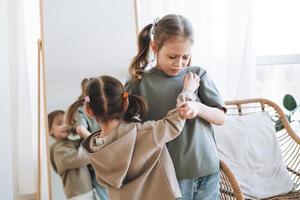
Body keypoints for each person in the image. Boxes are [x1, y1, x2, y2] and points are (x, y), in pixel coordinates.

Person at [125, 14, 226, 200]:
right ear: (154, 48)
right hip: (168, 175)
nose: (179, 63)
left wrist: (197, 107)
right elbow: (128, 130)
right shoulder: (139, 83)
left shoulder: (197, 75)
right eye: (172, 56)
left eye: (185, 57)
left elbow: (221, 117)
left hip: (208, 169)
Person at [66, 74, 199, 200]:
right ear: (125, 102)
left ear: (89, 111)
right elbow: (175, 121)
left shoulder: (93, 150)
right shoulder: (144, 132)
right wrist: (187, 92)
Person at [74, 78, 109, 200]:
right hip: (98, 159)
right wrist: (99, 142)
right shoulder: (82, 110)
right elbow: (80, 129)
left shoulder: (107, 102)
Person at [48, 110, 96, 200]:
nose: (65, 126)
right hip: (78, 194)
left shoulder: (69, 143)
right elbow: (78, 158)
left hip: (85, 190)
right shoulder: (58, 150)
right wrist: (93, 146)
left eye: (67, 123)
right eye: (59, 124)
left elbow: (82, 143)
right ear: (50, 130)